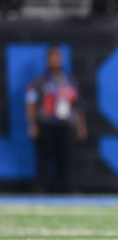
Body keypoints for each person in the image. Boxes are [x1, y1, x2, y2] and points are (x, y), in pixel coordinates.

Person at [25, 46, 87, 193]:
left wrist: (81, 125)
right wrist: (32, 124)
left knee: (67, 159)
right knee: (44, 160)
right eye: (52, 57)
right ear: (47, 60)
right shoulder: (39, 82)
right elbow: (31, 103)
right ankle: (41, 188)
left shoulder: (69, 81)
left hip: (65, 125)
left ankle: (68, 189)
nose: (55, 61)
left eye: (58, 57)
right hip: (46, 125)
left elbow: (77, 104)